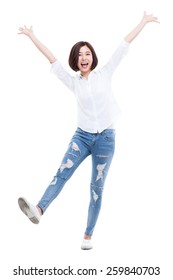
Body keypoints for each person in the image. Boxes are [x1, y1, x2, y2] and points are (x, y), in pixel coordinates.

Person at [18, 12, 159, 250]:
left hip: (105, 139)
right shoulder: (73, 81)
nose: (84, 57)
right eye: (80, 55)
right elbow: (52, 60)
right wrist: (32, 36)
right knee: (61, 173)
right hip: (81, 137)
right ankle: (39, 209)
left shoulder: (104, 73)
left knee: (96, 188)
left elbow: (123, 45)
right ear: (75, 60)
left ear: (93, 57)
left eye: (88, 54)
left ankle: (87, 236)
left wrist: (143, 22)